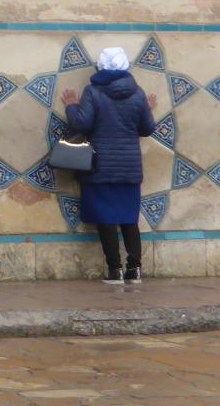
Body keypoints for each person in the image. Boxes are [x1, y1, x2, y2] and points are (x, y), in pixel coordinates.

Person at [64, 47, 157, 285]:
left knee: (106, 218)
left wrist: (72, 106)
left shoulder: (93, 92)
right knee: (128, 219)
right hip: (129, 168)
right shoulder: (138, 94)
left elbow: (82, 124)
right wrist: (147, 109)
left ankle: (114, 270)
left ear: (100, 67)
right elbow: (147, 129)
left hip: (102, 166)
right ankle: (134, 269)